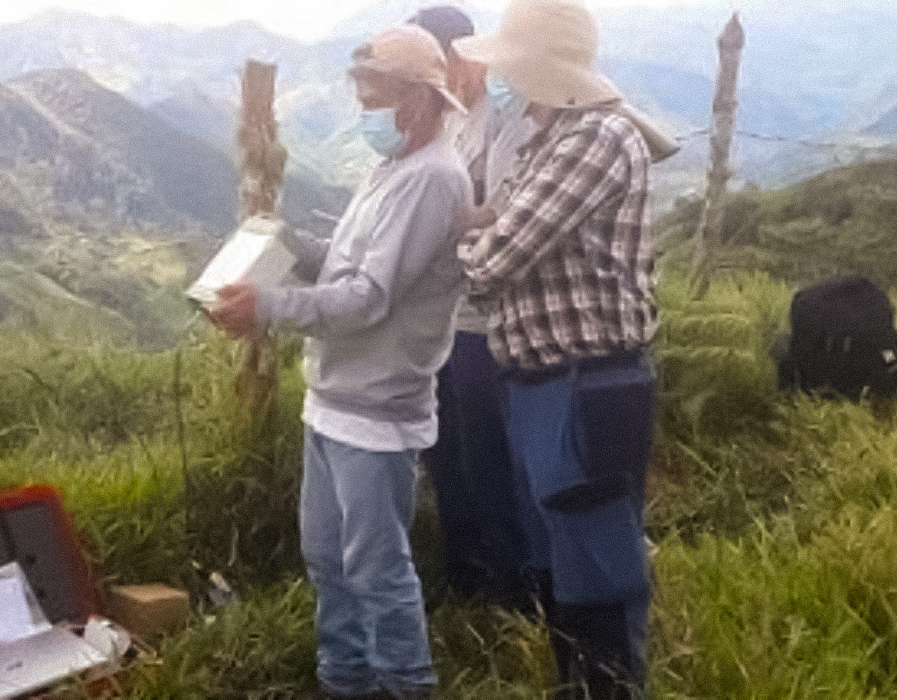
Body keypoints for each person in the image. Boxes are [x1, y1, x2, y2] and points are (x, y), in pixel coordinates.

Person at [209, 25, 473, 700]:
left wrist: (267, 306)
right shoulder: (391, 168)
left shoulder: (434, 180)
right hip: (332, 400)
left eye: (374, 95)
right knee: (328, 557)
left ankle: (405, 683)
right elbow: (350, 261)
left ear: (418, 97)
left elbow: (367, 298)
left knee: (377, 566)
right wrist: (292, 244)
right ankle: (345, 678)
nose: (365, 111)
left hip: (377, 411)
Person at [454, 0, 659, 697]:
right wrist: (480, 230)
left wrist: (470, 239)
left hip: (585, 383)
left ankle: (608, 687)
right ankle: (576, 683)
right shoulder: (550, 140)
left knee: (596, 561)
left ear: (536, 67)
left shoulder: (593, 139)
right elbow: (492, 227)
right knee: (559, 557)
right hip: (543, 384)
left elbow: (492, 259)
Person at [407, 4, 549, 611]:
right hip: (440, 323)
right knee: (449, 459)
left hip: (484, 327)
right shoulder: (442, 132)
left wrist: (433, 231)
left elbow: (505, 222)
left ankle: (511, 591)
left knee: (489, 459)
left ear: (464, 58)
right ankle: (466, 580)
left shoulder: (504, 130)